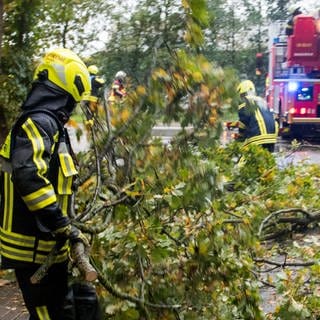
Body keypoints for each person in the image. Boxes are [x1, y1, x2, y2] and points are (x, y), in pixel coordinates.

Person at [0, 48, 91, 319]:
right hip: (33, 249)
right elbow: (30, 178)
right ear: (61, 92)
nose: (72, 108)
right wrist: (63, 225)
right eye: (72, 100)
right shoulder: (37, 124)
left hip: (47, 245)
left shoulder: (49, 125)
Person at [236, 80, 278, 152]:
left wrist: (240, 138)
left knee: (249, 160)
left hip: (257, 138)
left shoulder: (244, 103)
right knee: (266, 160)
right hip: (271, 138)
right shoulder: (262, 101)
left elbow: (242, 124)